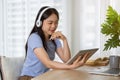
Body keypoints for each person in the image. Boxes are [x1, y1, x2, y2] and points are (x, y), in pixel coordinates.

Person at [19, 6, 88, 80]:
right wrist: (70, 67)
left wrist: (64, 40)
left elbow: (67, 60)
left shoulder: (54, 39)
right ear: (39, 23)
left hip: (44, 76)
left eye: (56, 23)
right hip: (29, 77)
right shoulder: (34, 38)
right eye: (50, 23)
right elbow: (47, 63)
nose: (54, 26)